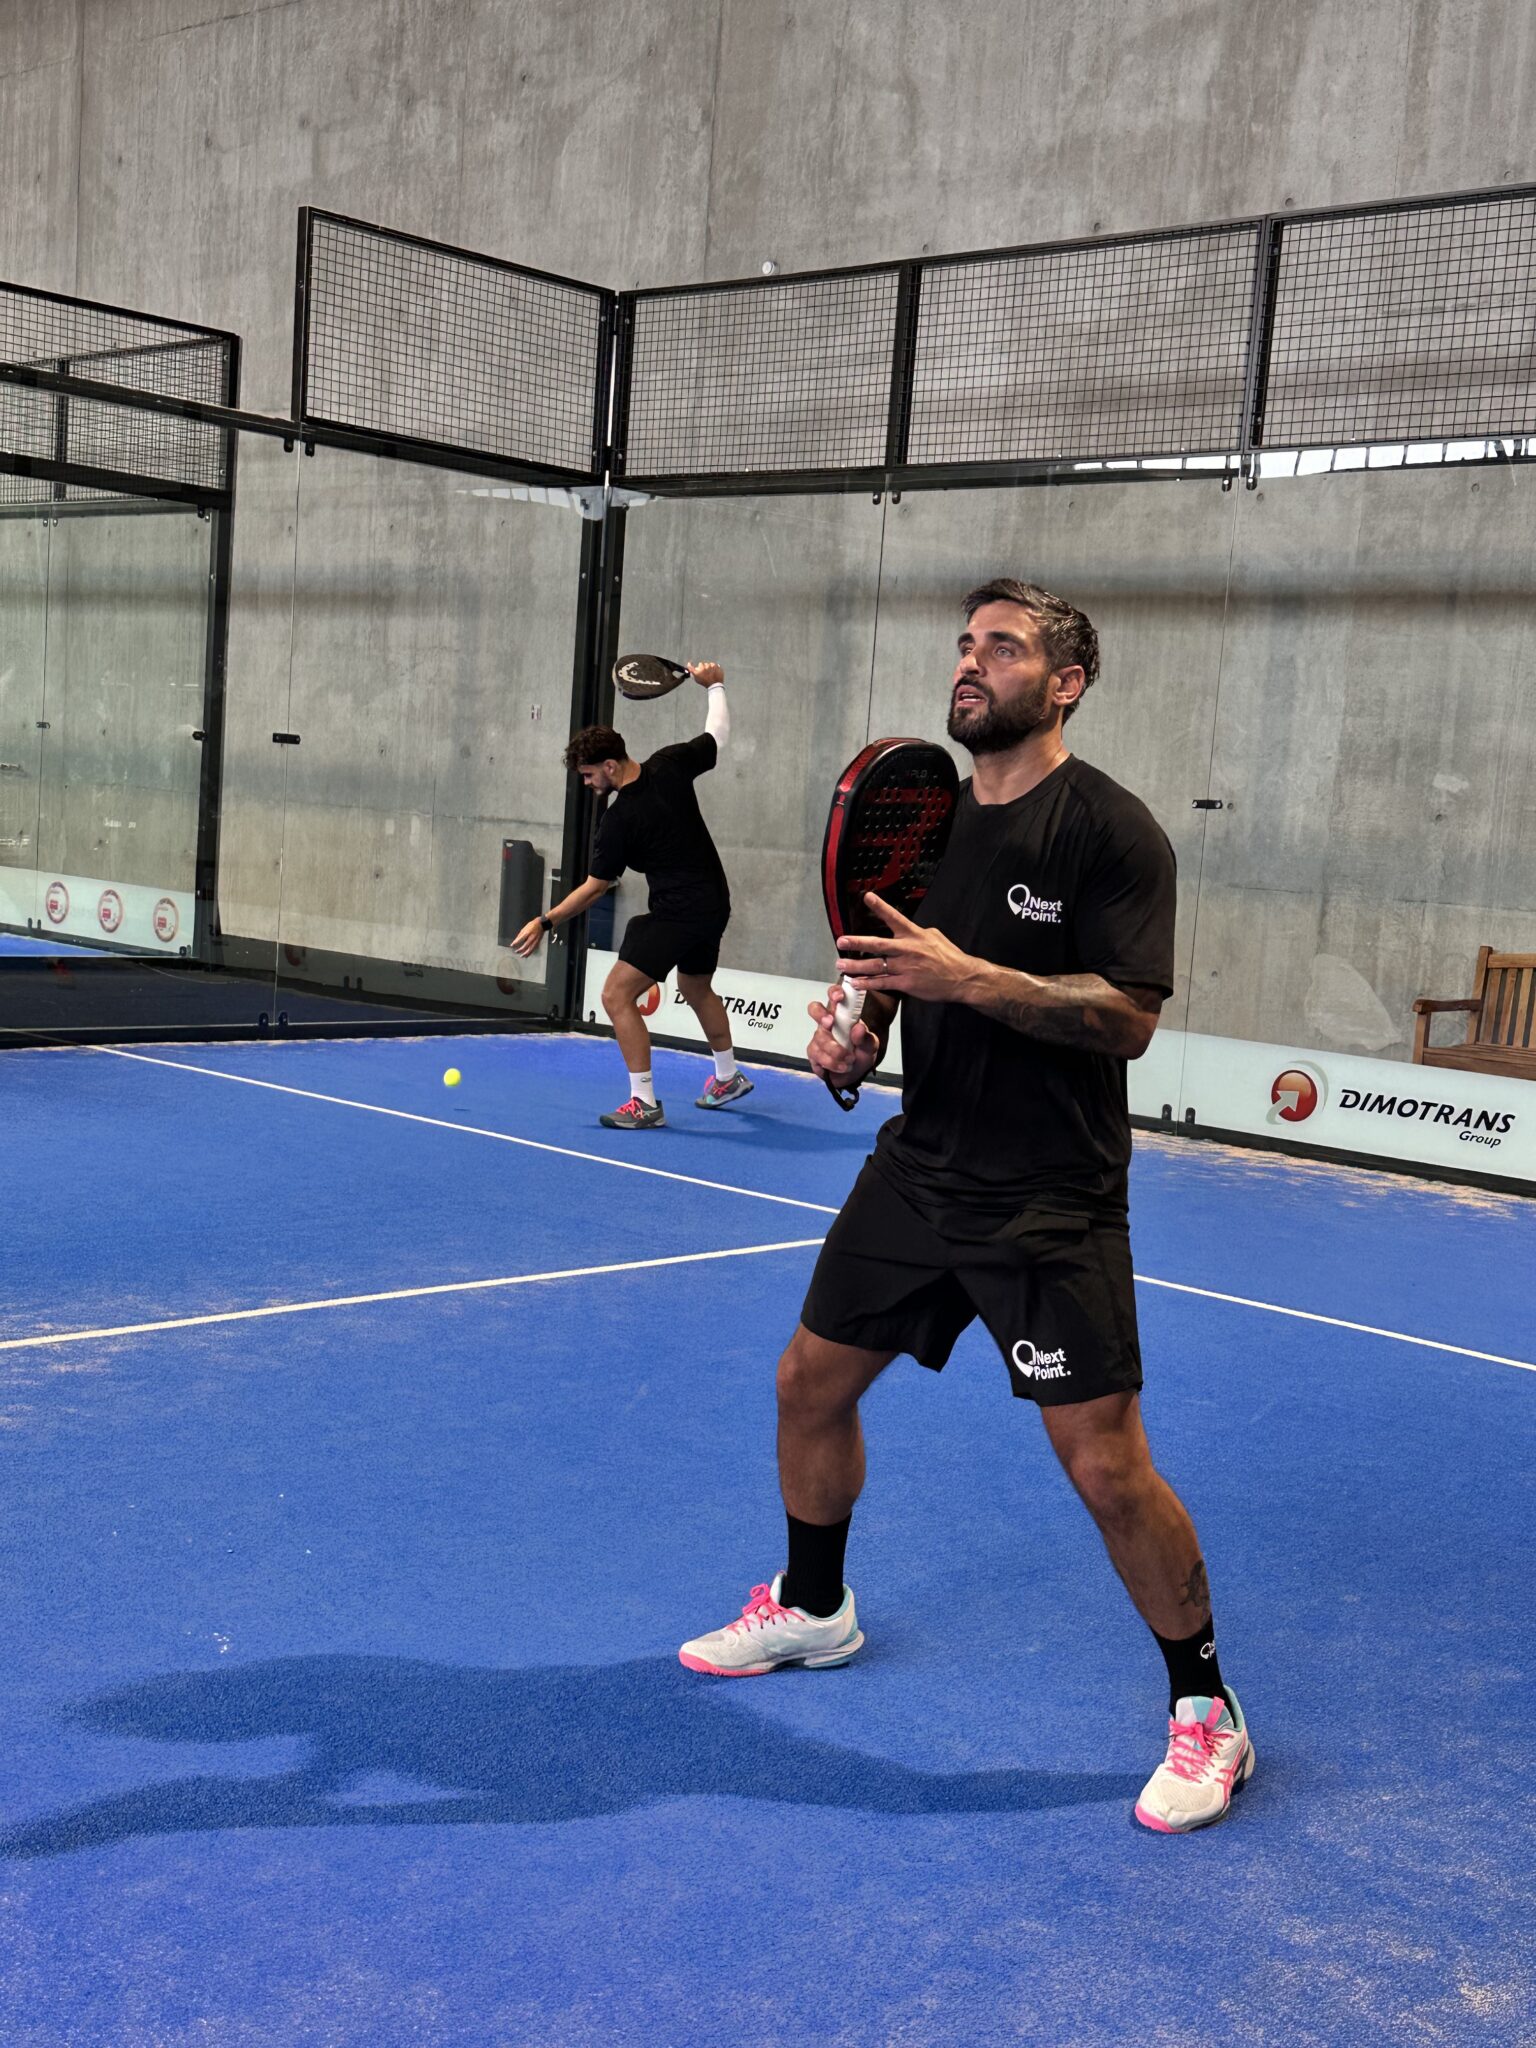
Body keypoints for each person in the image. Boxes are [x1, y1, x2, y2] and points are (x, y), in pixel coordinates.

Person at [678, 581, 1254, 1835]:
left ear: (1066, 683)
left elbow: (1129, 1018)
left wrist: (974, 977)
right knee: (806, 1383)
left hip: (1050, 1197)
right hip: (919, 1168)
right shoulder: (929, 820)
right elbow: (898, 973)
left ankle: (1207, 1706)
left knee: (1106, 1466)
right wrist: (857, 1037)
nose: (972, 661)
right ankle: (815, 1606)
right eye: (965, 643)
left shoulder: (1112, 829)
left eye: (1004, 645)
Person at [511, 661, 753, 1129]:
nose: (587, 785)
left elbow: (595, 887)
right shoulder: (670, 763)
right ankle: (728, 1076)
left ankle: (644, 1102)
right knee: (695, 986)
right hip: (714, 901)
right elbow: (717, 736)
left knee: (615, 994)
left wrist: (545, 921)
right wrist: (715, 685)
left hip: (679, 910)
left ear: (609, 765)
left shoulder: (618, 820)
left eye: (588, 776)